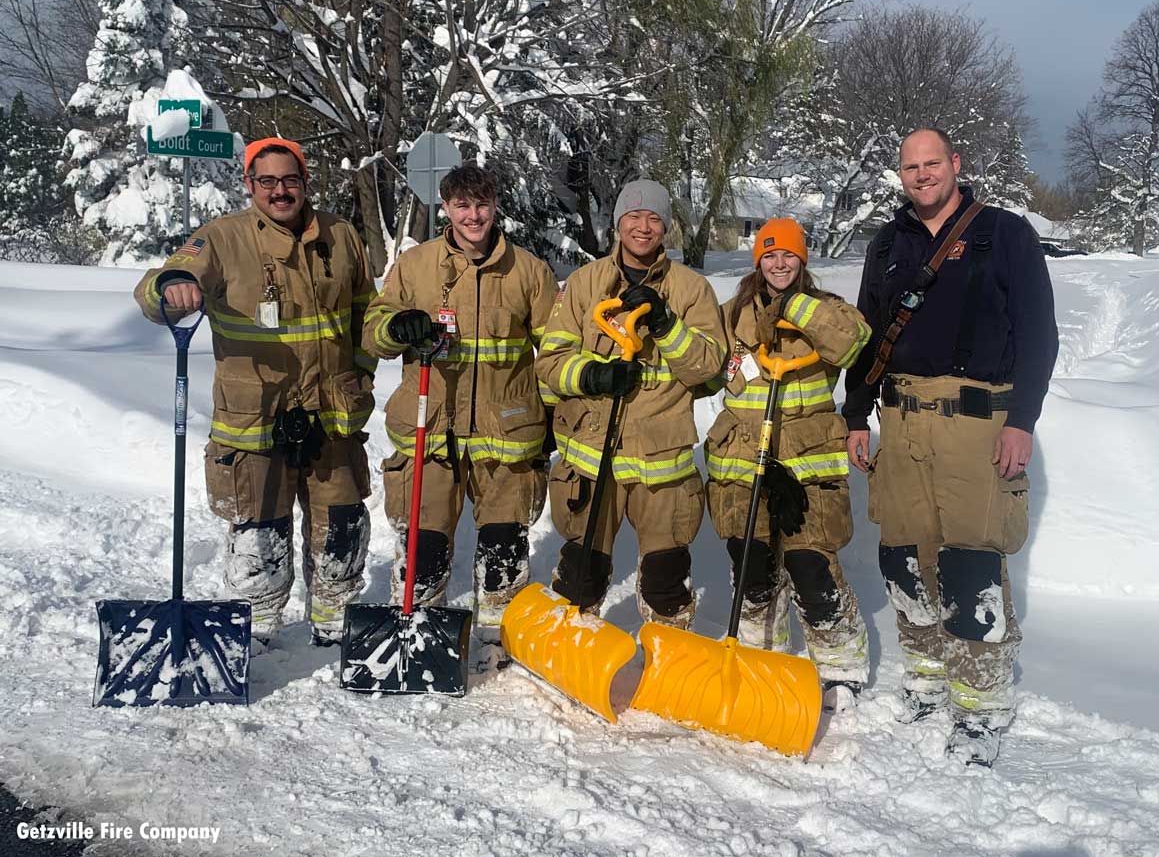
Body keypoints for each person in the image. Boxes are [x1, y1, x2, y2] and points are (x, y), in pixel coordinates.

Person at [842, 128, 1059, 766]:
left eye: (932, 163)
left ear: (955, 165)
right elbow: (866, 339)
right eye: (910, 166)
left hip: (978, 423)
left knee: (970, 562)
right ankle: (928, 679)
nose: (921, 175)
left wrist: (1022, 420)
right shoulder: (888, 244)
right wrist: (857, 415)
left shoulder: (1005, 234)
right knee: (903, 556)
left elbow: (1039, 335)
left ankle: (982, 702)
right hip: (902, 420)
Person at [134, 137, 379, 648]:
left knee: (340, 521)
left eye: (289, 180)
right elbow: (159, 284)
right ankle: (258, 624)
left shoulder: (341, 236)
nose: (279, 191)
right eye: (266, 181)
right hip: (255, 415)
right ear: (250, 186)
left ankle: (333, 616)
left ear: (305, 182)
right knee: (259, 528)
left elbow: (367, 312)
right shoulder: (223, 238)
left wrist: (362, 372)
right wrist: (172, 286)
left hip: (332, 410)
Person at [362, 164, 558, 646]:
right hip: (432, 428)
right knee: (423, 545)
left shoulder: (528, 271)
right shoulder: (415, 266)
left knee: (502, 548)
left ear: (495, 205)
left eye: (483, 204)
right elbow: (374, 331)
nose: (474, 215)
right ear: (446, 208)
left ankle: (497, 640)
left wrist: (555, 420)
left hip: (506, 436)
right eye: (463, 205)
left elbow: (556, 351)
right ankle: (418, 634)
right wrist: (396, 326)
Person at [535, 179, 725, 628]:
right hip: (591, 454)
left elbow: (710, 370)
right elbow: (550, 363)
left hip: (662, 462)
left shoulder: (692, 290)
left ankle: (669, 661)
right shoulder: (585, 283)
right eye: (634, 217)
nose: (644, 226)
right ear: (618, 224)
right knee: (582, 572)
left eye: (654, 218)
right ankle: (571, 649)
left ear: (666, 228)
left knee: (666, 579)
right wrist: (593, 374)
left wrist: (665, 323)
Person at [703, 217, 871, 708]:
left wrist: (794, 306)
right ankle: (759, 656)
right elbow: (706, 363)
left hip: (807, 460)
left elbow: (854, 344)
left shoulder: (827, 310)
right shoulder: (732, 311)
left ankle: (841, 667)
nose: (778, 264)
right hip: (742, 458)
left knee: (810, 564)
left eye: (788, 256)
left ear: (803, 260)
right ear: (758, 260)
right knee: (752, 567)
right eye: (769, 256)